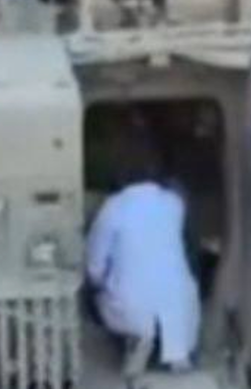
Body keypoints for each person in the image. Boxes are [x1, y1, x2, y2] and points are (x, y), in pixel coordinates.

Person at [85, 147, 201, 374]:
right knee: (173, 302)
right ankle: (179, 356)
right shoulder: (173, 203)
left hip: (131, 308)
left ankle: (136, 344)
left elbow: (94, 266)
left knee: (105, 298)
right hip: (179, 304)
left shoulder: (113, 207)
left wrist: (95, 284)